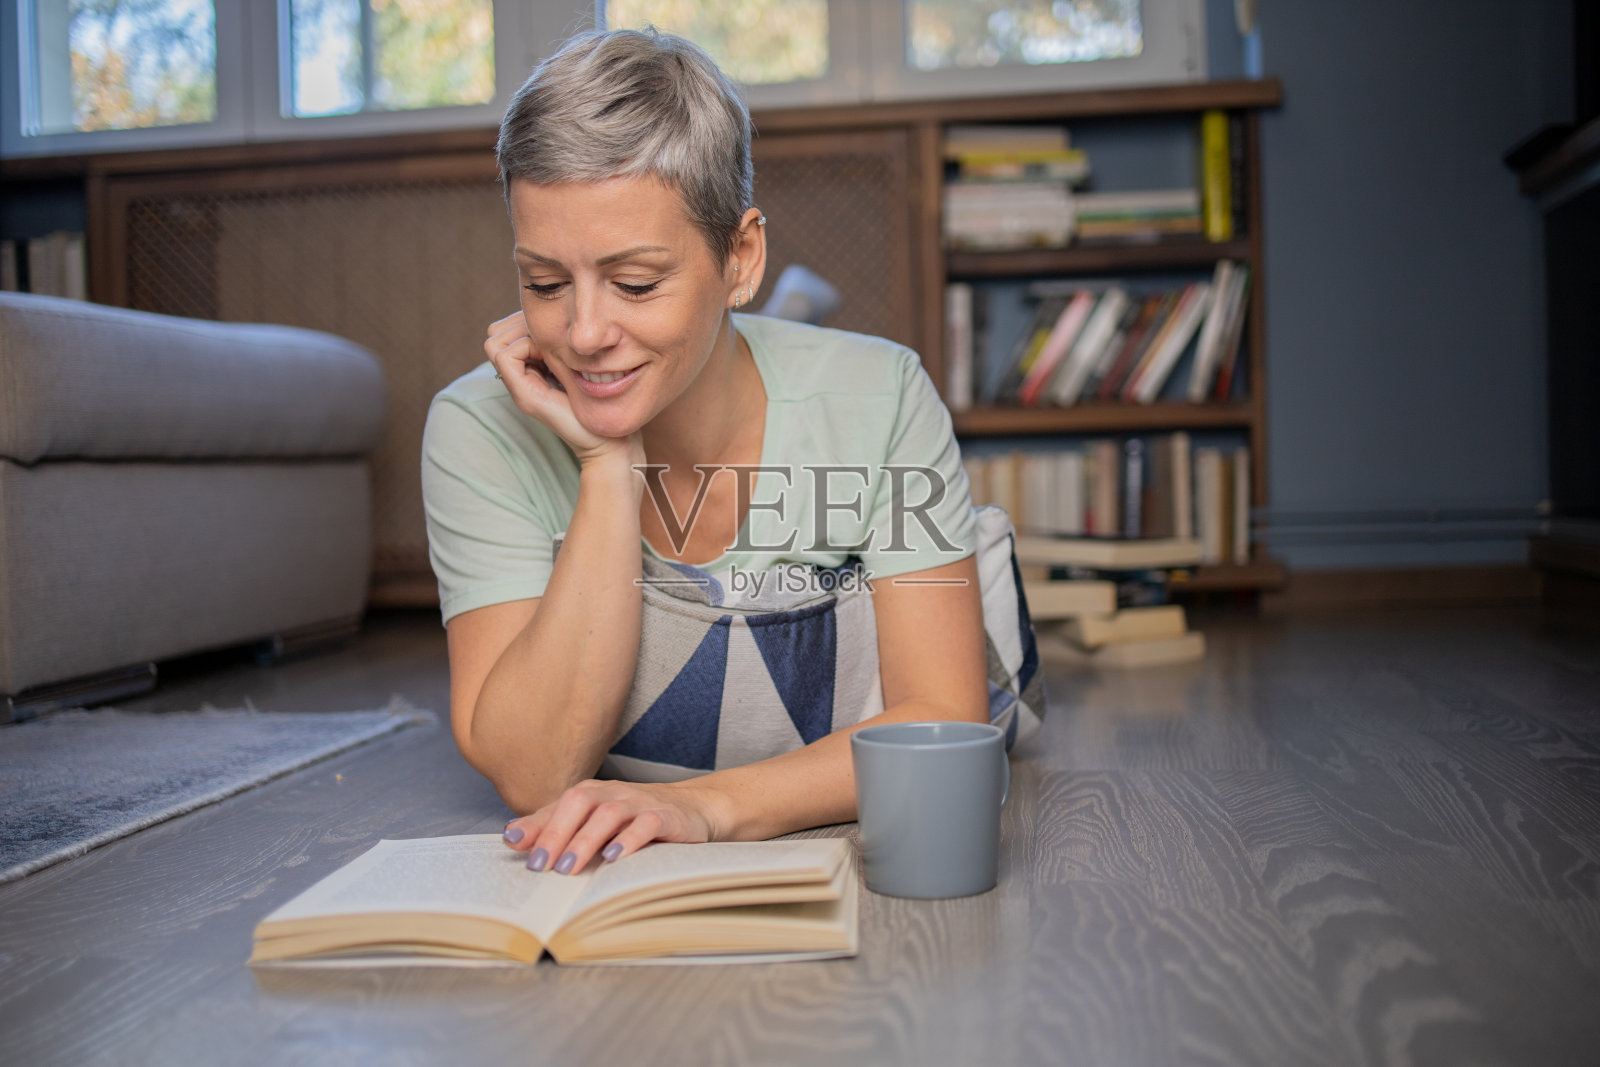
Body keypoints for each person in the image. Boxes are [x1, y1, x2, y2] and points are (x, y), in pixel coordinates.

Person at [421, 27, 989, 878]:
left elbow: (940, 712)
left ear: (741, 256)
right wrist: (607, 463)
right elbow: (535, 773)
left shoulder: (884, 395)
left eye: (637, 284)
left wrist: (705, 805)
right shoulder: (476, 427)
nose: (583, 333)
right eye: (543, 283)